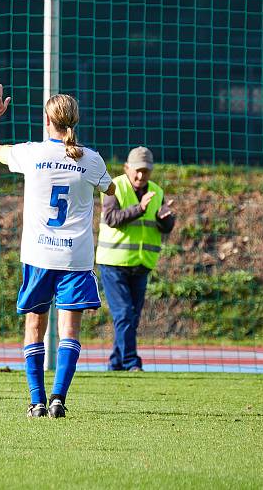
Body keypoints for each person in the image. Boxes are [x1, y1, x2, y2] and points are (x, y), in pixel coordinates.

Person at [0, 84, 115, 418]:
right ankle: (59, 398)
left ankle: (36, 401)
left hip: (39, 256)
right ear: (75, 121)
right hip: (75, 257)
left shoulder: (32, 153)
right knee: (69, 332)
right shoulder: (92, 160)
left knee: (34, 328)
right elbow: (111, 189)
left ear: (47, 121)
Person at [96, 146, 176, 372]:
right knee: (124, 314)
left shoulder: (158, 192)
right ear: (127, 168)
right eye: (137, 171)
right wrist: (140, 208)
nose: (141, 176)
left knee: (131, 318)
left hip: (141, 263)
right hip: (114, 262)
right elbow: (111, 218)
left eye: (146, 171)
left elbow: (164, 226)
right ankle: (132, 363)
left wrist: (165, 219)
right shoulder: (114, 187)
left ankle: (116, 363)